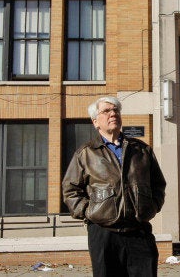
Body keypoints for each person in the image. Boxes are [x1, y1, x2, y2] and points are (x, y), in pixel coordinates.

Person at [62, 96, 166, 277]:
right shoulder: (86, 153)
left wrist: (152, 206)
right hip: (104, 233)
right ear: (95, 122)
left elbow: (158, 184)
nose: (113, 114)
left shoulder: (141, 150)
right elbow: (70, 190)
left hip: (138, 230)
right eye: (106, 111)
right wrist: (90, 211)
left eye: (116, 110)